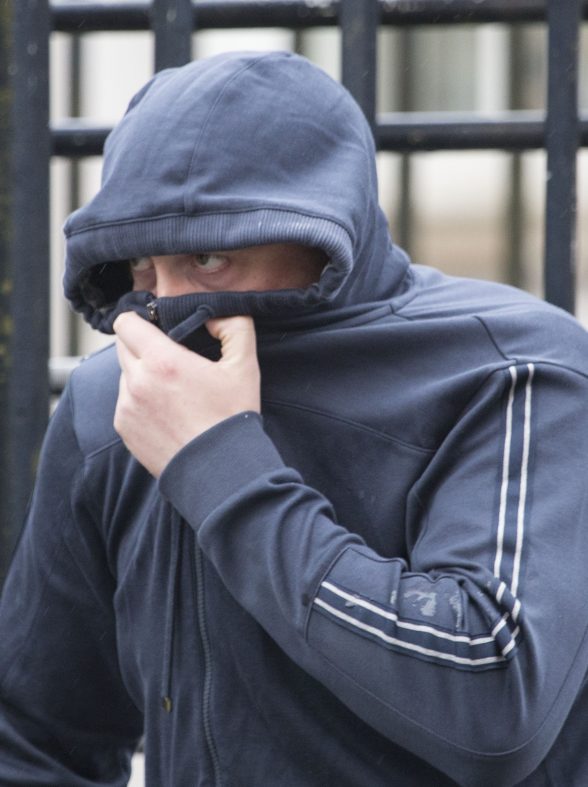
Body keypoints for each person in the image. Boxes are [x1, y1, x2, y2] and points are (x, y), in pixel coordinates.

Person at [1, 50, 587, 787]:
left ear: (322, 235)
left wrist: (220, 466)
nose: (170, 307)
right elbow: (33, 739)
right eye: (143, 271)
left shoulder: (513, 370)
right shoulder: (113, 405)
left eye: (210, 258)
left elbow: (497, 698)